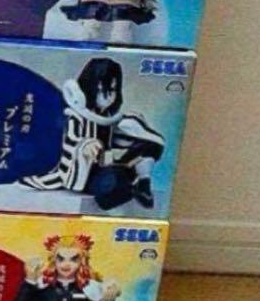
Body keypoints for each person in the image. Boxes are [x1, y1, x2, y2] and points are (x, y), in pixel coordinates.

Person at [20, 57, 165, 211]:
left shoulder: (108, 117)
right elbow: (70, 142)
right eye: (101, 90)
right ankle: (127, 192)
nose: (108, 97)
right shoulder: (75, 116)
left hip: (105, 167)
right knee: (114, 180)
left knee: (148, 148)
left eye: (112, 90)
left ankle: (143, 184)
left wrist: (135, 135)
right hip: (83, 175)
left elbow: (120, 141)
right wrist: (85, 145)